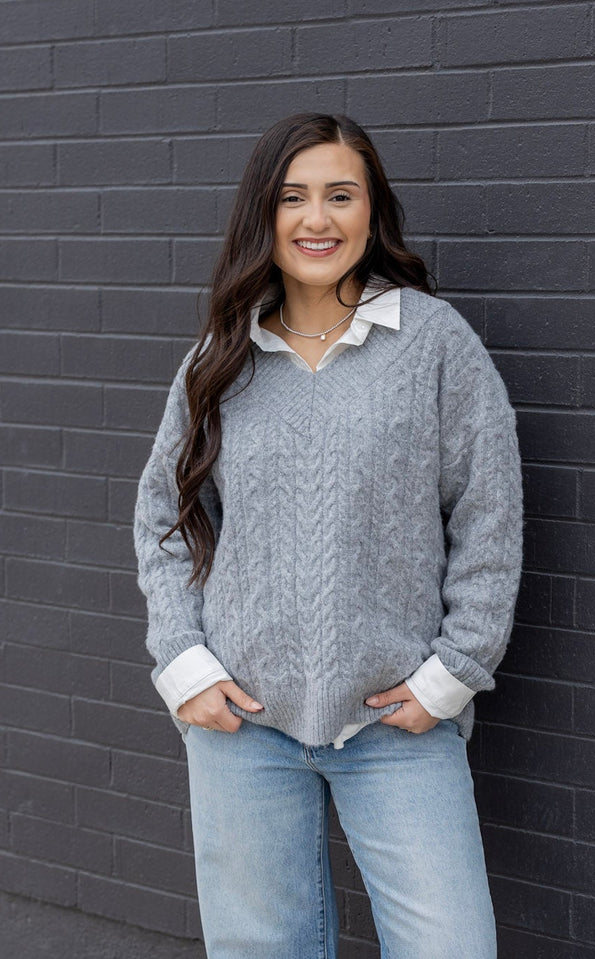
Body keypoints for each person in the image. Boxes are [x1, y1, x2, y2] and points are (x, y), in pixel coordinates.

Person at [133, 112, 523, 959]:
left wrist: (453, 673)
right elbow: (168, 517)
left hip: (396, 727)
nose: (318, 219)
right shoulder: (221, 357)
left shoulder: (434, 345)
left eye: (340, 195)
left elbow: (489, 517)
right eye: (293, 197)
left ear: (371, 211)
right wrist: (184, 662)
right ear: (262, 214)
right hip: (242, 728)